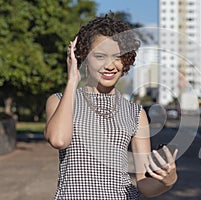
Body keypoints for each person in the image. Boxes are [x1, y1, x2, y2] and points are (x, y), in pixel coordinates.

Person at [44, 15, 178, 199]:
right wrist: (72, 80)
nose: (110, 65)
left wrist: (167, 181)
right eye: (99, 56)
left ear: (126, 60)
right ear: (83, 57)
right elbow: (58, 140)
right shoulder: (59, 101)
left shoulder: (136, 113)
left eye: (118, 57)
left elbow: (144, 185)